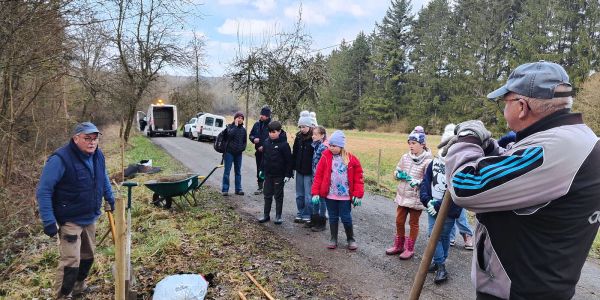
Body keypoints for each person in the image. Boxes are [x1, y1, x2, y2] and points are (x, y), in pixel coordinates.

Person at [443, 61, 600, 300]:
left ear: (522, 106)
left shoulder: (552, 150)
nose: (503, 109)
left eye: (504, 102)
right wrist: (488, 147)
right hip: (544, 282)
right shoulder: (575, 140)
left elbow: (465, 186)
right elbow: (517, 175)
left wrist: (467, 140)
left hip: (518, 290)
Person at [36, 122, 115, 299]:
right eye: (87, 138)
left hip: (90, 216)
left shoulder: (98, 156)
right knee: (71, 262)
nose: (92, 142)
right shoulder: (60, 159)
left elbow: (103, 178)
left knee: (88, 257)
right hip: (70, 219)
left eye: (95, 138)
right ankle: (63, 296)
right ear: (76, 138)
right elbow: (44, 190)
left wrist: (110, 197)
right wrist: (48, 220)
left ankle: (79, 288)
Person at [419, 123, 463, 284]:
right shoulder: (435, 162)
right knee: (433, 235)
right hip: (432, 207)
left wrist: (437, 205)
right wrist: (427, 200)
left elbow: (455, 190)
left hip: (449, 210)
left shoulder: (459, 166)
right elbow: (426, 181)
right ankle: (441, 266)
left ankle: (440, 264)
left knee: (443, 236)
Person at [311, 130, 364, 250]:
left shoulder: (351, 159)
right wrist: (315, 193)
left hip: (345, 196)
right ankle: (333, 238)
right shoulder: (325, 156)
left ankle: (350, 239)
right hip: (330, 195)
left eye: (334, 146)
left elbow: (359, 178)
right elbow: (318, 176)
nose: (331, 148)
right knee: (333, 217)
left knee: (346, 217)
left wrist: (358, 194)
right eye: (330, 145)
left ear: (341, 146)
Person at [386, 128, 432, 259]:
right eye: (409, 143)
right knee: (399, 221)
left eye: (414, 143)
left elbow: (427, 181)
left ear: (422, 144)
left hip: (416, 198)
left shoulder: (428, 161)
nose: (411, 146)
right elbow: (397, 170)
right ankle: (398, 245)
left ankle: (409, 248)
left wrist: (416, 182)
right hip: (403, 196)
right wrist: (398, 174)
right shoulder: (405, 157)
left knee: (413, 223)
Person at [257, 121, 293, 225]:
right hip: (268, 174)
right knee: (267, 194)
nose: (271, 134)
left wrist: (288, 174)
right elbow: (264, 158)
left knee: (278, 196)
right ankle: (266, 215)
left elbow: (289, 161)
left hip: (279, 175)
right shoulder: (266, 142)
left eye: (274, 132)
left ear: (279, 131)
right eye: (270, 132)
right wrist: (261, 170)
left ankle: (278, 216)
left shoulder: (284, 145)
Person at [292, 111, 315, 224]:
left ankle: (307, 214)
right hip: (299, 170)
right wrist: (292, 167)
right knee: (299, 194)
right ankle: (300, 212)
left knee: (308, 195)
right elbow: (295, 153)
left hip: (309, 171)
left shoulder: (314, 139)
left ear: (309, 126)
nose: (302, 129)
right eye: (300, 126)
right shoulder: (298, 137)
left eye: (304, 126)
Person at [221, 112, 247, 196]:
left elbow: (244, 142)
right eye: (238, 117)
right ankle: (225, 189)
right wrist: (235, 126)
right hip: (229, 152)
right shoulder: (230, 127)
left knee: (238, 172)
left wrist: (242, 148)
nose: (240, 119)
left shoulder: (243, 130)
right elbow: (229, 135)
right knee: (227, 171)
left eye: (241, 118)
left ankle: (238, 189)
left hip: (238, 154)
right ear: (235, 118)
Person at [249, 105, 272, 195]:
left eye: (263, 115)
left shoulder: (271, 126)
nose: (261, 116)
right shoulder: (256, 124)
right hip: (258, 152)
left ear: (267, 116)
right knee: (259, 169)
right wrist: (253, 139)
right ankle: (260, 187)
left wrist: (264, 146)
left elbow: (273, 138)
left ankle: (268, 187)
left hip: (268, 153)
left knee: (268, 170)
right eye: (261, 114)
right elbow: (250, 135)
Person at [310, 125, 328, 232]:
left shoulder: (323, 147)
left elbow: (322, 164)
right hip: (314, 176)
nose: (313, 136)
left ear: (322, 135)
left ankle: (321, 223)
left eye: (316, 134)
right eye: (313, 134)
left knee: (321, 200)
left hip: (321, 178)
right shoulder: (316, 145)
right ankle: (314, 220)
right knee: (314, 198)